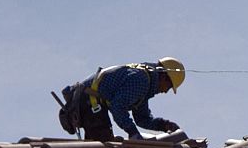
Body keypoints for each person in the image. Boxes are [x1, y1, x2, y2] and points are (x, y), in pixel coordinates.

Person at [56, 58, 185, 141]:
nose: (165, 91)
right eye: (169, 86)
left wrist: (164, 125)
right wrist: (132, 132)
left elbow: (142, 119)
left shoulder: (145, 85)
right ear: (164, 77)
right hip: (90, 102)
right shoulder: (141, 81)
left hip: (90, 101)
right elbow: (118, 107)